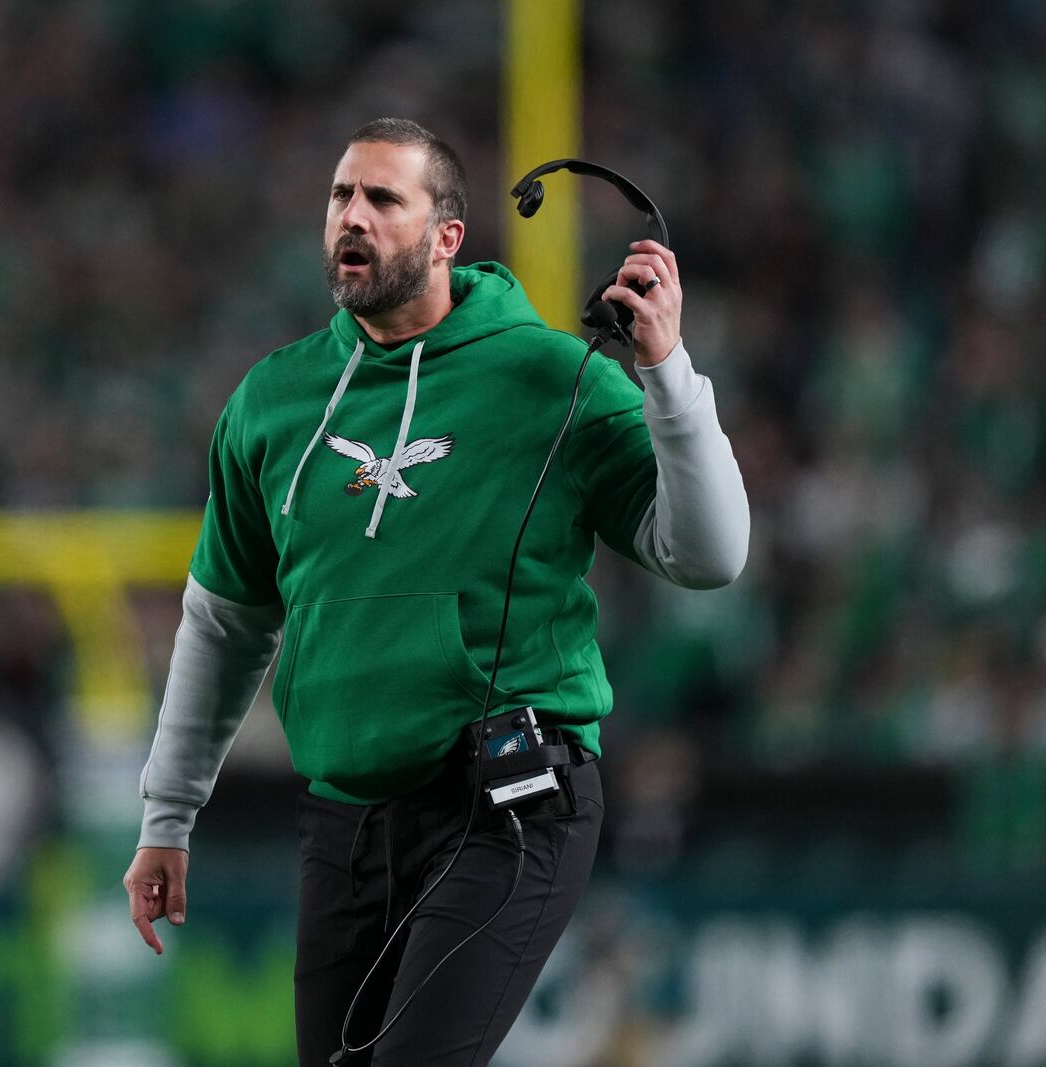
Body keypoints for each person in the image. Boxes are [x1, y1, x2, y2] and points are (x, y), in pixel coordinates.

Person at [123, 117, 749, 1066]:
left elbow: (710, 553)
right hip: (343, 816)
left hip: (506, 801)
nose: (353, 217)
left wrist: (666, 373)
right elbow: (224, 624)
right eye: (341, 196)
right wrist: (168, 816)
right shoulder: (273, 399)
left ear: (446, 237)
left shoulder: (552, 376)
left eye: (382, 198)